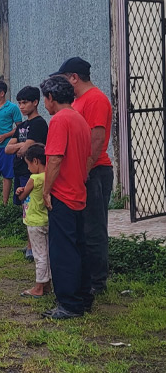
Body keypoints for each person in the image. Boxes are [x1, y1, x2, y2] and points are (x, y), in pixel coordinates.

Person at [53, 57, 113, 295]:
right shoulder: (78, 101)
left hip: (94, 171)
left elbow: (96, 140)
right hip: (82, 173)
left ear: (74, 78)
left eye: (64, 80)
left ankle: (97, 283)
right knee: (81, 229)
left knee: (93, 229)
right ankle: (85, 278)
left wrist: (84, 171)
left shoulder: (96, 99)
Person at [39, 75, 93, 319]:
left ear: (51, 98)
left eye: (45, 100)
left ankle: (69, 304)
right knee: (79, 247)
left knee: (63, 251)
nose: (45, 105)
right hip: (78, 191)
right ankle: (83, 297)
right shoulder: (79, 118)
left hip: (63, 193)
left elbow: (56, 158)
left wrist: (46, 189)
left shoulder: (60, 120)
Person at [5, 86, 49, 260]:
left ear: (35, 102)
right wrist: (19, 147)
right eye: (19, 103)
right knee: (25, 207)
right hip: (21, 171)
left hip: (34, 173)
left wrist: (20, 147)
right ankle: (30, 243)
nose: (21, 107)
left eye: (25, 103)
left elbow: (27, 147)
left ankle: (33, 246)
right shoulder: (22, 125)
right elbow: (9, 149)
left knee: (32, 206)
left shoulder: (39, 123)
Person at [15, 143, 51, 298]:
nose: (28, 168)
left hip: (34, 222)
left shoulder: (34, 178)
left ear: (36, 161)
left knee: (39, 255)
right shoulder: (49, 175)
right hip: (46, 220)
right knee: (47, 253)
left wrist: (19, 192)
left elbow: (22, 197)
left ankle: (38, 287)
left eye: (28, 164)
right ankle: (47, 284)